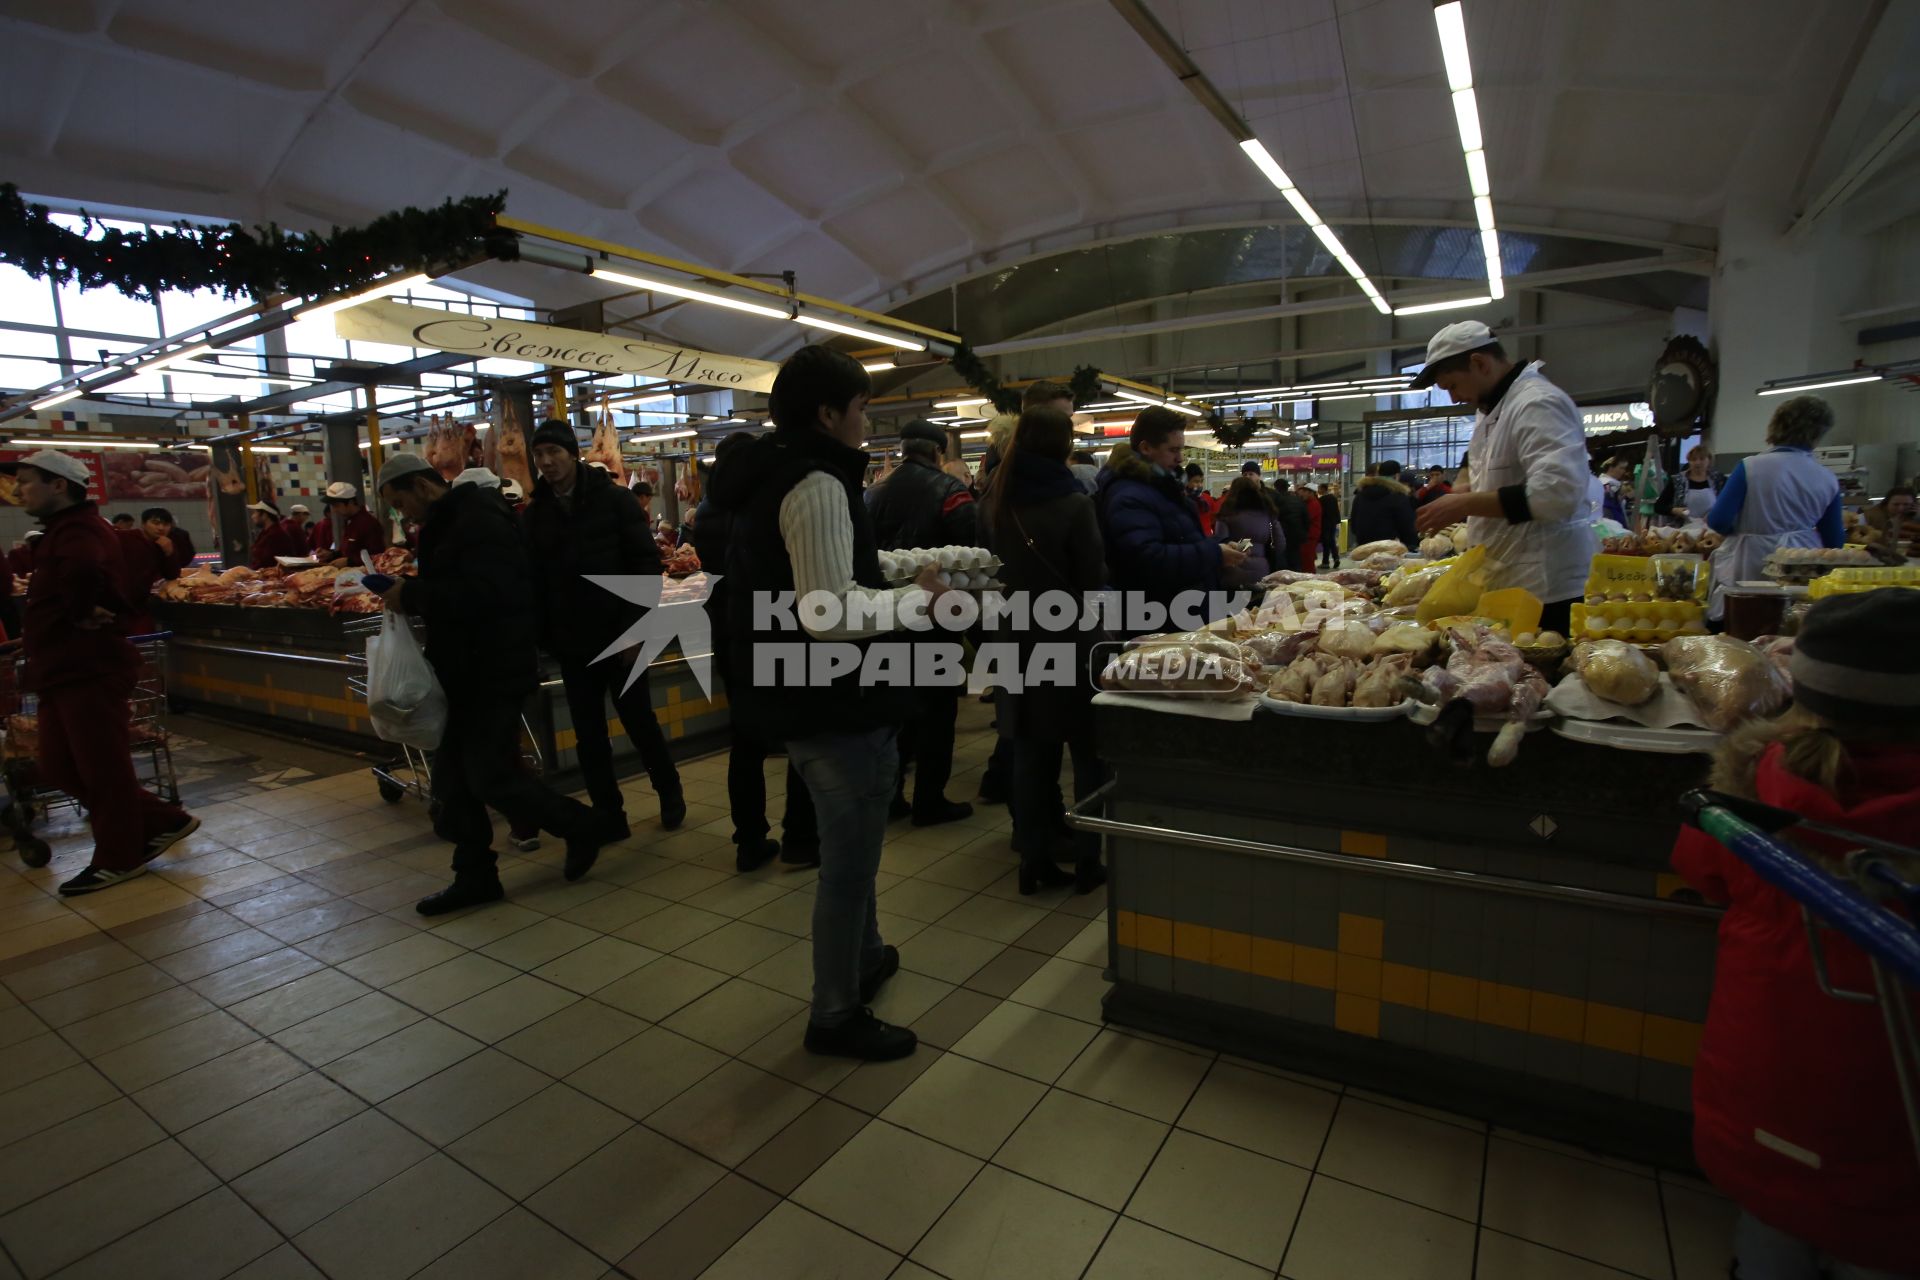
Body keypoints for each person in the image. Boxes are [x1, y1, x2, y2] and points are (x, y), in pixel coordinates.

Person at [1669, 591, 1920, 1280]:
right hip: (1895, 1110)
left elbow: (1699, 870)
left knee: (1774, 1220)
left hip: (1765, 1074)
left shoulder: (1753, 779)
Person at [707, 345, 946, 1061]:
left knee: (858, 856)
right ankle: (834, 1011)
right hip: (834, 701)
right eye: (862, 406)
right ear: (827, 413)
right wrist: (919, 602)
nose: (866, 420)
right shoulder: (813, 483)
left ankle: (867, 957)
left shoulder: (776, 475)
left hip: (803, 694)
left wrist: (892, 575)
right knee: (847, 867)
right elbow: (827, 611)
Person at [369, 454, 609, 915]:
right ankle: (475, 875)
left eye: (400, 502)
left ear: (420, 485)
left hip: (492, 670)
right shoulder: (454, 520)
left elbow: (488, 595)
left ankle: (580, 825)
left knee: (489, 777)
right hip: (468, 669)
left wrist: (413, 596)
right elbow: (464, 587)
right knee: (454, 782)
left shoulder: (475, 520)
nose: (403, 515)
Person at [5, 450, 197, 895]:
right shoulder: (60, 531)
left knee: (102, 769)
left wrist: (74, 612)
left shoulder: (79, 529)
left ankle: (118, 858)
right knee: (56, 764)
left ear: (58, 485)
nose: (17, 489)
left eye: (27, 480)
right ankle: (163, 820)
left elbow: (86, 569)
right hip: (60, 668)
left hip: (87, 668)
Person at [522, 420, 687, 842]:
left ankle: (669, 792)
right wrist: (548, 637)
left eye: (553, 452)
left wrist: (636, 629)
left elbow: (644, 567)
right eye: (539, 454)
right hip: (573, 641)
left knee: (639, 722)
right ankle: (609, 813)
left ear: (571, 454)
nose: (546, 462)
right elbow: (535, 580)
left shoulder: (614, 501)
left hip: (620, 634)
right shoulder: (536, 512)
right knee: (589, 734)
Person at [981, 405, 1108, 895]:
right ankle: (1090, 860)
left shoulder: (993, 500)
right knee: (1088, 754)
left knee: (1031, 755)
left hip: (1013, 640)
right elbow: (1092, 580)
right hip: (1071, 642)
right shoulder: (1073, 502)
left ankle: (1032, 861)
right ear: (1063, 447)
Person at [1413, 321, 1598, 637]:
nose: (1455, 398)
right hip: (1509, 583)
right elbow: (1479, 456)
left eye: (1453, 386)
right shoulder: (1490, 409)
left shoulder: (1537, 403)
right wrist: (1464, 482)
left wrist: (1464, 503)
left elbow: (1558, 493)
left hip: (1546, 591)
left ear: (1480, 363)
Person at [694, 432, 820, 873]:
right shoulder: (769, 506)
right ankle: (801, 837)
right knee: (800, 734)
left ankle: (749, 839)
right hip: (779, 631)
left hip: (730, 638)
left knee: (744, 742)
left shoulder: (706, 511)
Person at [867, 419, 979, 828]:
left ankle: (892, 794)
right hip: (935, 619)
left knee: (899, 710)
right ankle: (930, 799)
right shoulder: (952, 492)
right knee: (937, 712)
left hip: (886, 617)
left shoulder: (872, 493)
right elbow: (972, 555)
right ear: (937, 452)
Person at [1097, 409, 1245, 632]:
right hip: (1158, 623)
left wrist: (1217, 547)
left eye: (1181, 449)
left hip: (1179, 617)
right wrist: (1213, 555)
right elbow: (1147, 559)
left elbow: (1177, 540)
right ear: (1146, 448)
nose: (1180, 458)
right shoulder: (1129, 495)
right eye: (1173, 450)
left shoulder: (1160, 487)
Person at [1705, 395, 1846, 621]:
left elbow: (1719, 520)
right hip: (1803, 564)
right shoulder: (1827, 477)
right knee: (1791, 625)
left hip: (1751, 559)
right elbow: (1834, 541)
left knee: (1749, 624)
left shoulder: (1750, 468)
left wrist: (1746, 529)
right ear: (1818, 433)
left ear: (1776, 425)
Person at [1212, 475, 1283, 589]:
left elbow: (1221, 540)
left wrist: (1243, 546)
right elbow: (1280, 543)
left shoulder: (1227, 512)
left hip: (1234, 570)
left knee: (1235, 605)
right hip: (1262, 569)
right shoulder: (1268, 512)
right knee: (1259, 605)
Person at [1348, 460, 1419, 551]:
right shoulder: (1398, 496)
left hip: (1364, 550)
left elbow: (1354, 526)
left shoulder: (1360, 495)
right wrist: (1412, 545)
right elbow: (1407, 528)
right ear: (1397, 476)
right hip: (1390, 552)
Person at [313, 481, 387, 567]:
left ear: (350, 502)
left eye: (336, 505)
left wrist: (349, 562)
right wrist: (331, 555)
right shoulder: (350, 522)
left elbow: (378, 557)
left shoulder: (368, 523)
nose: (334, 510)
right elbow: (348, 552)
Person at [1656, 446, 1723, 525]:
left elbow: (1728, 504)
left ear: (1709, 460)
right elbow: (1658, 507)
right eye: (1694, 459)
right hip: (1684, 531)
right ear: (1689, 461)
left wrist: (1715, 513)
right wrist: (1674, 510)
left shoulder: (1718, 480)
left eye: (1702, 459)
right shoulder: (1677, 481)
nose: (1698, 462)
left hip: (1712, 529)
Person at [1863, 485, 1916, 558]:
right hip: (1874, 557)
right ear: (1886, 503)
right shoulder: (1868, 516)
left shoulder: (1915, 517)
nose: (1901, 508)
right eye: (1896, 504)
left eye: (1906, 504)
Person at [1283, 477, 1322, 572]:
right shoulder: (1308, 503)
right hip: (1308, 535)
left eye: (1305, 492)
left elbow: (1306, 518)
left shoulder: (1313, 504)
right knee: (1306, 559)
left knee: (1307, 561)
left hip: (1310, 536)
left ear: (1311, 493)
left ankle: (1309, 579)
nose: (1302, 494)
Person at [246, 501, 298, 570]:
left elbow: (266, 563)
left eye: (255, 513)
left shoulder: (276, 535)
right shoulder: (266, 532)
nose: (253, 516)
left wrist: (249, 572)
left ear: (264, 515)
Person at [140, 508, 195, 574]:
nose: (161, 528)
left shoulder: (173, 541)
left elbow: (173, 573)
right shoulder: (132, 542)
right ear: (143, 524)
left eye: (166, 524)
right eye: (156, 523)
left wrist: (169, 554)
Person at [1184, 464, 1219, 536]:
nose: (1200, 485)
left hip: (1208, 539)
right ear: (1186, 482)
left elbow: (1214, 521)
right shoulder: (1180, 500)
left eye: (1201, 481)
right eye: (1196, 482)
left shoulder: (1208, 499)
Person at [1600, 457, 1632, 525]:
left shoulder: (1610, 483)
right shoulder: (1607, 484)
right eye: (1621, 468)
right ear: (1611, 468)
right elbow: (1607, 506)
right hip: (1612, 523)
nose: (1624, 471)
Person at [1317, 483, 1342, 569]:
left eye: (1319, 488)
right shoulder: (1333, 498)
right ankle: (1336, 558)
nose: (1318, 490)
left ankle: (1325, 562)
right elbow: (1336, 510)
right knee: (1332, 541)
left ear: (1323, 489)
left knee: (1326, 542)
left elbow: (1321, 513)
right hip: (1333, 523)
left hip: (1325, 523)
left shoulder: (1322, 500)